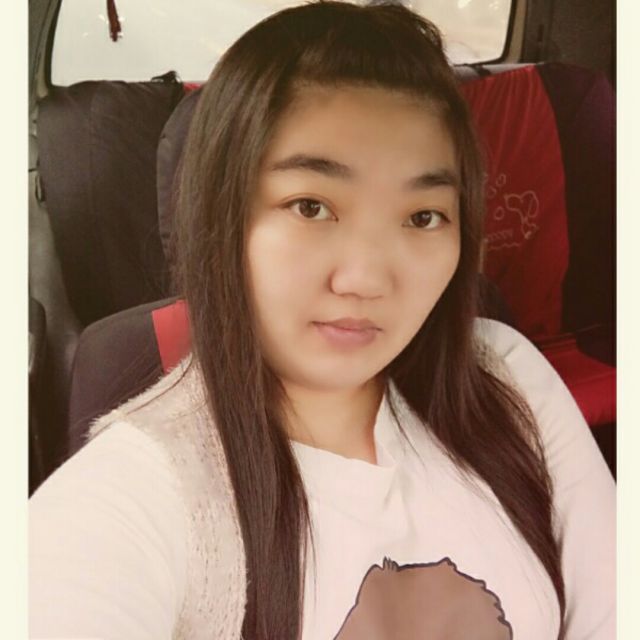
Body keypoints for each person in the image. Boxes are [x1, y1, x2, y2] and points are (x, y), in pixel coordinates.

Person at [29, 2, 615, 639]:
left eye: (423, 217)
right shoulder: (142, 491)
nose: (365, 279)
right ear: (222, 217)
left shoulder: (503, 375)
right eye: (311, 206)